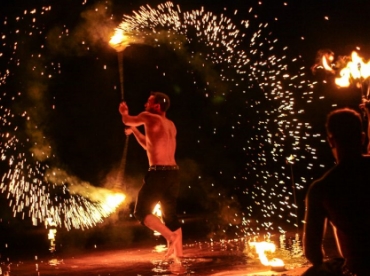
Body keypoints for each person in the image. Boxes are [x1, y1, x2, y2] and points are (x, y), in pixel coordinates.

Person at [303, 108, 370, 276]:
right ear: (362, 138)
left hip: (358, 270)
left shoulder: (322, 187)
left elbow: (313, 253)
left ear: (331, 140)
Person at [118, 92, 183, 261]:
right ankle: (180, 257)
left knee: (140, 212)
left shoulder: (147, 117)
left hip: (159, 173)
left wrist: (124, 112)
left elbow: (126, 120)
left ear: (156, 106)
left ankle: (170, 236)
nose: (145, 105)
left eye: (148, 102)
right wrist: (134, 131)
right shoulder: (170, 124)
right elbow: (149, 146)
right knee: (171, 216)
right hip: (173, 173)